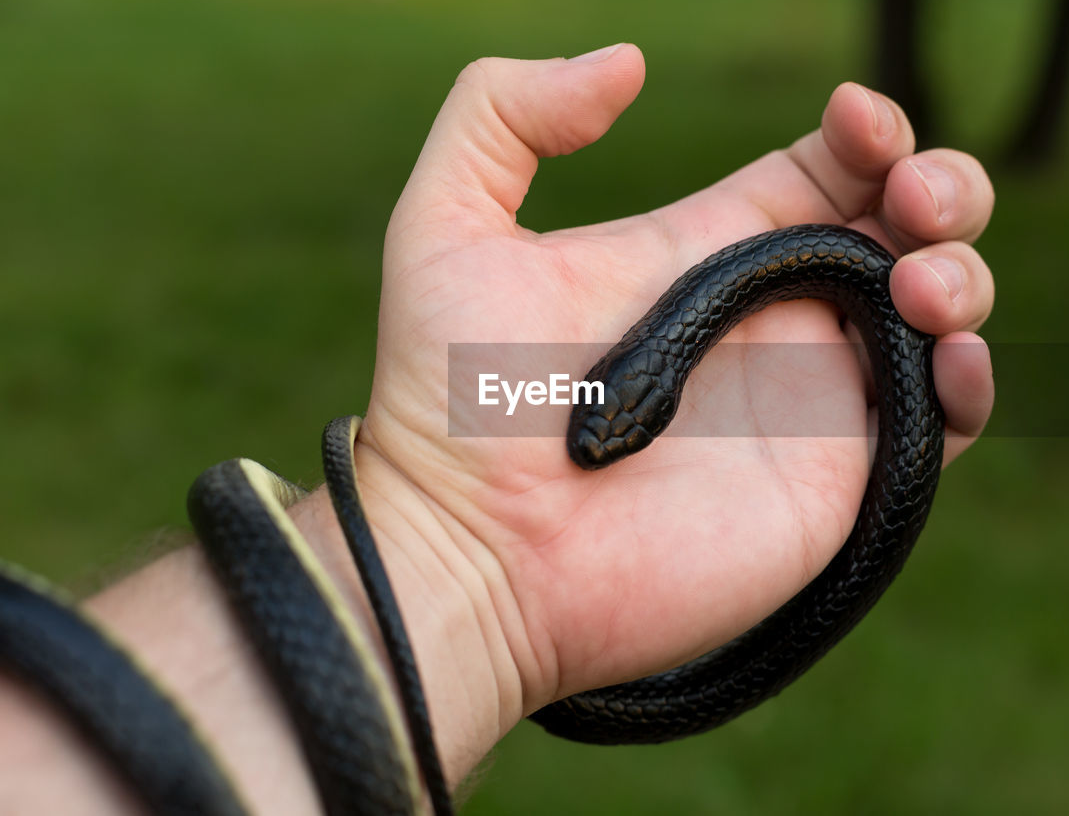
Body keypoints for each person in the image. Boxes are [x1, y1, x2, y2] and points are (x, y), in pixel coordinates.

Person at [0, 45, 995, 814]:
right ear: (619, 370)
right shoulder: (571, 377)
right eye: (588, 414)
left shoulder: (771, 299)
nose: (582, 438)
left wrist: (454, 560)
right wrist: (444, 530)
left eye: (609, 430)